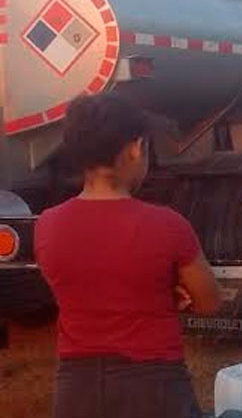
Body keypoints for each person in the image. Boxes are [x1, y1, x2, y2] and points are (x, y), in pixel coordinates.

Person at [34, 93, 221, 418]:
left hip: (76, 387)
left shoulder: (47, 226)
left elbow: (85, 289)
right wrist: (167, 292)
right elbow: (209, 301)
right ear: (135, 149)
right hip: (153, 386)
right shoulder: (168, 225)